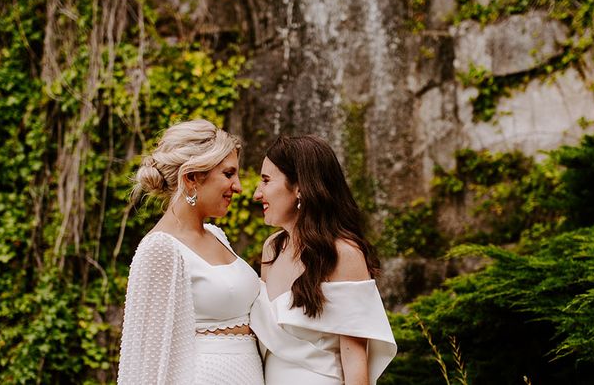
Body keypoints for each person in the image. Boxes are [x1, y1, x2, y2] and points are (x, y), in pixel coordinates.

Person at [117, 119, 264, 385]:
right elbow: (148, 360)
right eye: (229, 174)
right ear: (192, 177)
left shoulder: (217, 235)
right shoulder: (161, 249)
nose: (239, 187)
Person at [250, 135, 397, 385]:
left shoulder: (345, 254)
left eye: (266, 181)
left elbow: (355, 358)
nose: (256, 194)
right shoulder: (271, 250)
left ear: (300, 188)